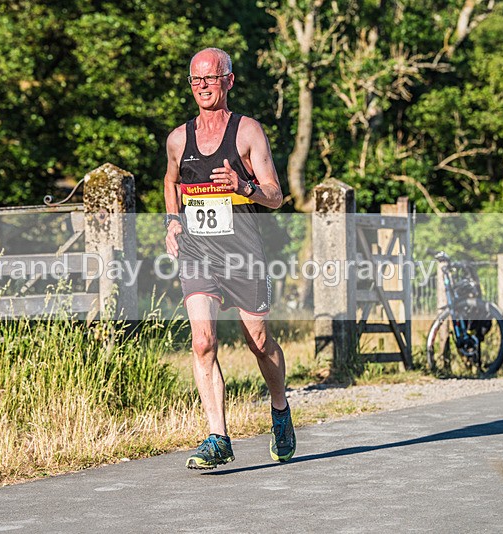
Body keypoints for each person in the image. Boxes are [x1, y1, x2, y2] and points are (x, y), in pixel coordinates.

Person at [162, 47, 295, 469]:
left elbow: (276, 195)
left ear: (229, 81)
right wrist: (171, 221)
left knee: (258, 341)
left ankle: (279, 409)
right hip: (198, 253)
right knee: (203, 342)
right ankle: (218, 437)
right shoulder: (178, 138)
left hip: (242, 253)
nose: (202, 86)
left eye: (211, 78)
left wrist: (245, 185)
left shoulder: (247, 132)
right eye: (195, 80)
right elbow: (170, 181)